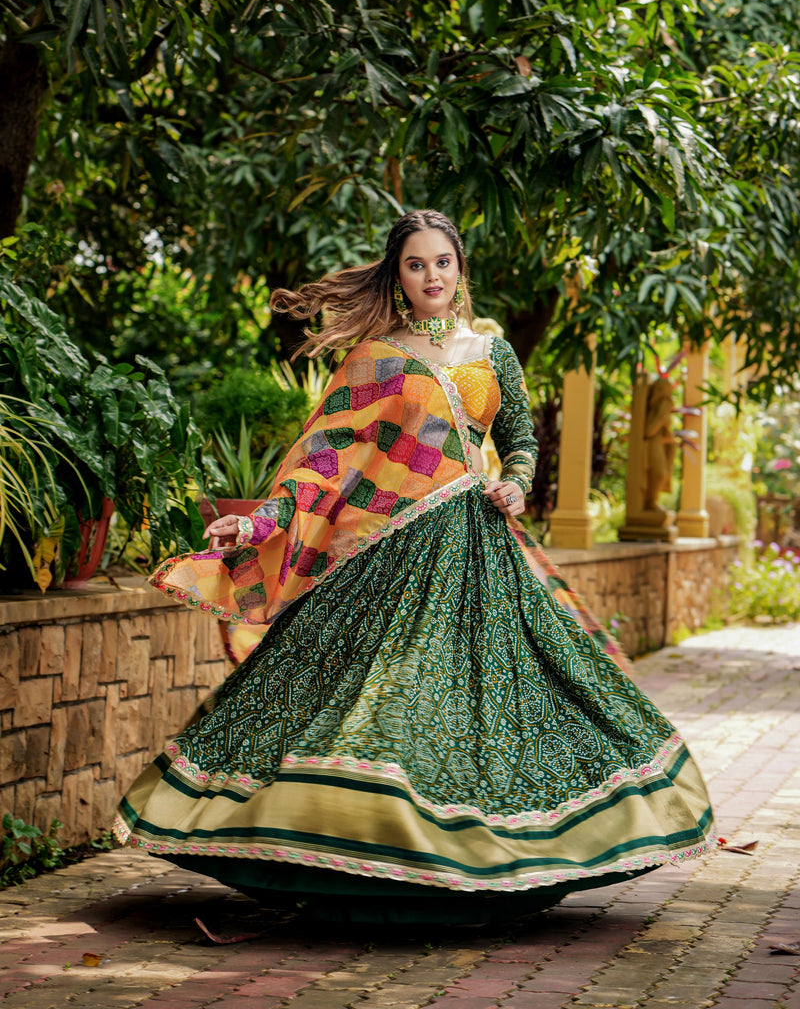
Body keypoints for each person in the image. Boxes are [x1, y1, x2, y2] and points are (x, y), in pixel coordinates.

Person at [113, 210, 714, 925]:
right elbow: (323, 464)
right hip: (389, 559)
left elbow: (520, 439)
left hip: (482, 553)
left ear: (461, 270)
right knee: (374, 706)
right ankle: (351, 862)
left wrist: (516, 482)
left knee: (506, 702)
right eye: (416, 264)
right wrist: (259, 521)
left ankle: (500, 862)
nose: (432, 276)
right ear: (397, 276)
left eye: (443, 262)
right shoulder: (374, 360)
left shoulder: (494, 352)